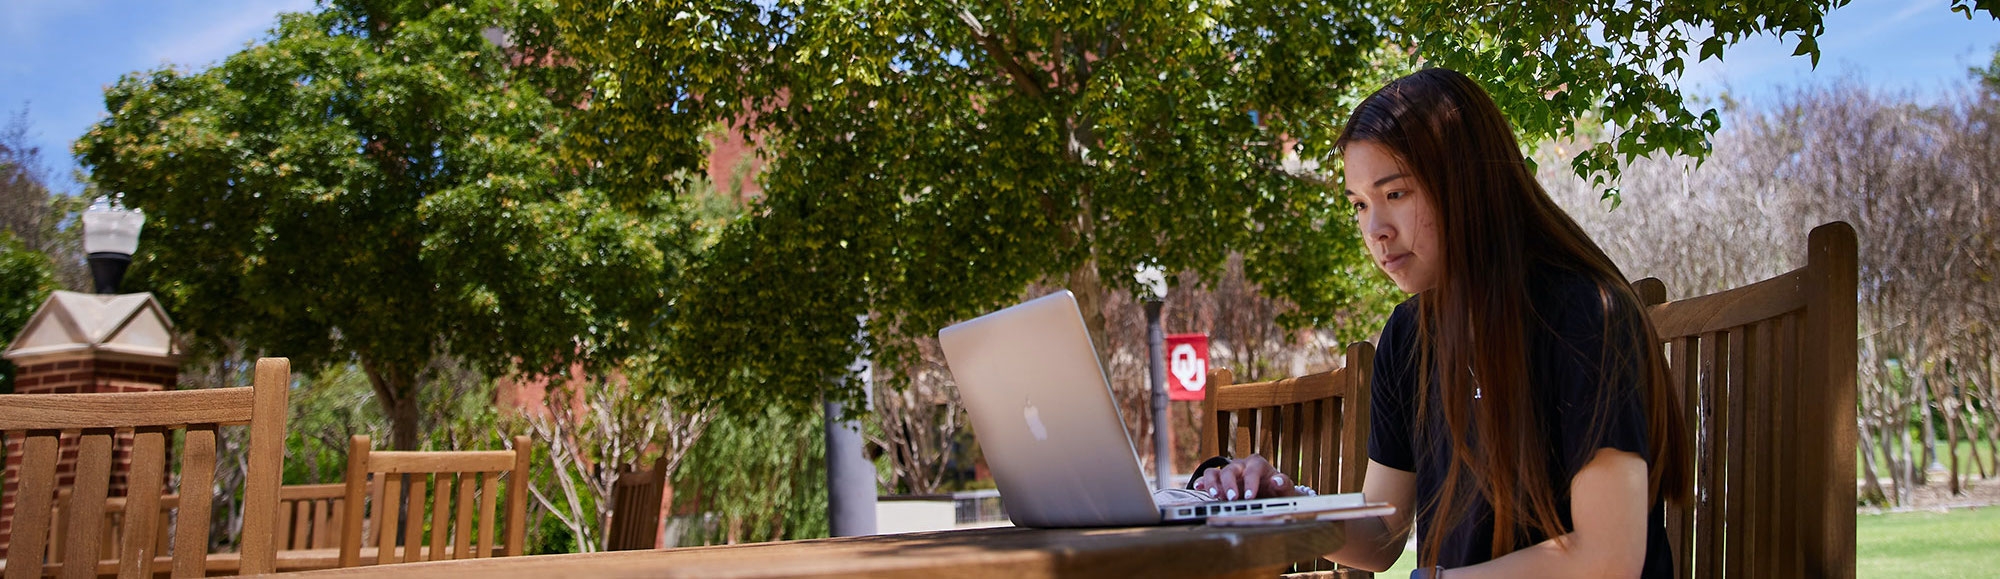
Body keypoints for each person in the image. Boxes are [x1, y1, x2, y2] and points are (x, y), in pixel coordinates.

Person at [1192, 68, 1690, 578]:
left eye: (1396, 194)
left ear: (1468, 182)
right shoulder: (1410, 335)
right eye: (1360, 204)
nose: (1376, 230)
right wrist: (1277, 511)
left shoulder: (1585, 314)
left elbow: (1609, 557)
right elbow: (1383, 535)